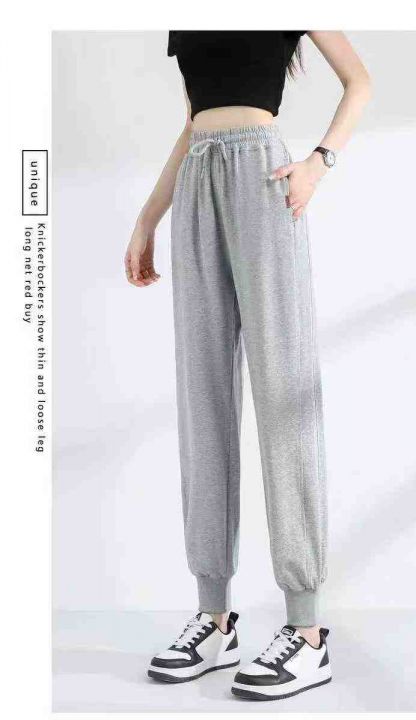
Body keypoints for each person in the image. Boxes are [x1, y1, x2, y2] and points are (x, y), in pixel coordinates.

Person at [125, 30, 371, 701]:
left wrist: (319, 162)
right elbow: (192, 124)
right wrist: (149, 216)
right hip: (197, 182)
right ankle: (215, 620)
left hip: (265, 177)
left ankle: (307, 633)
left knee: (284, 393)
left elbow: (360, 81)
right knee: (201, 398)